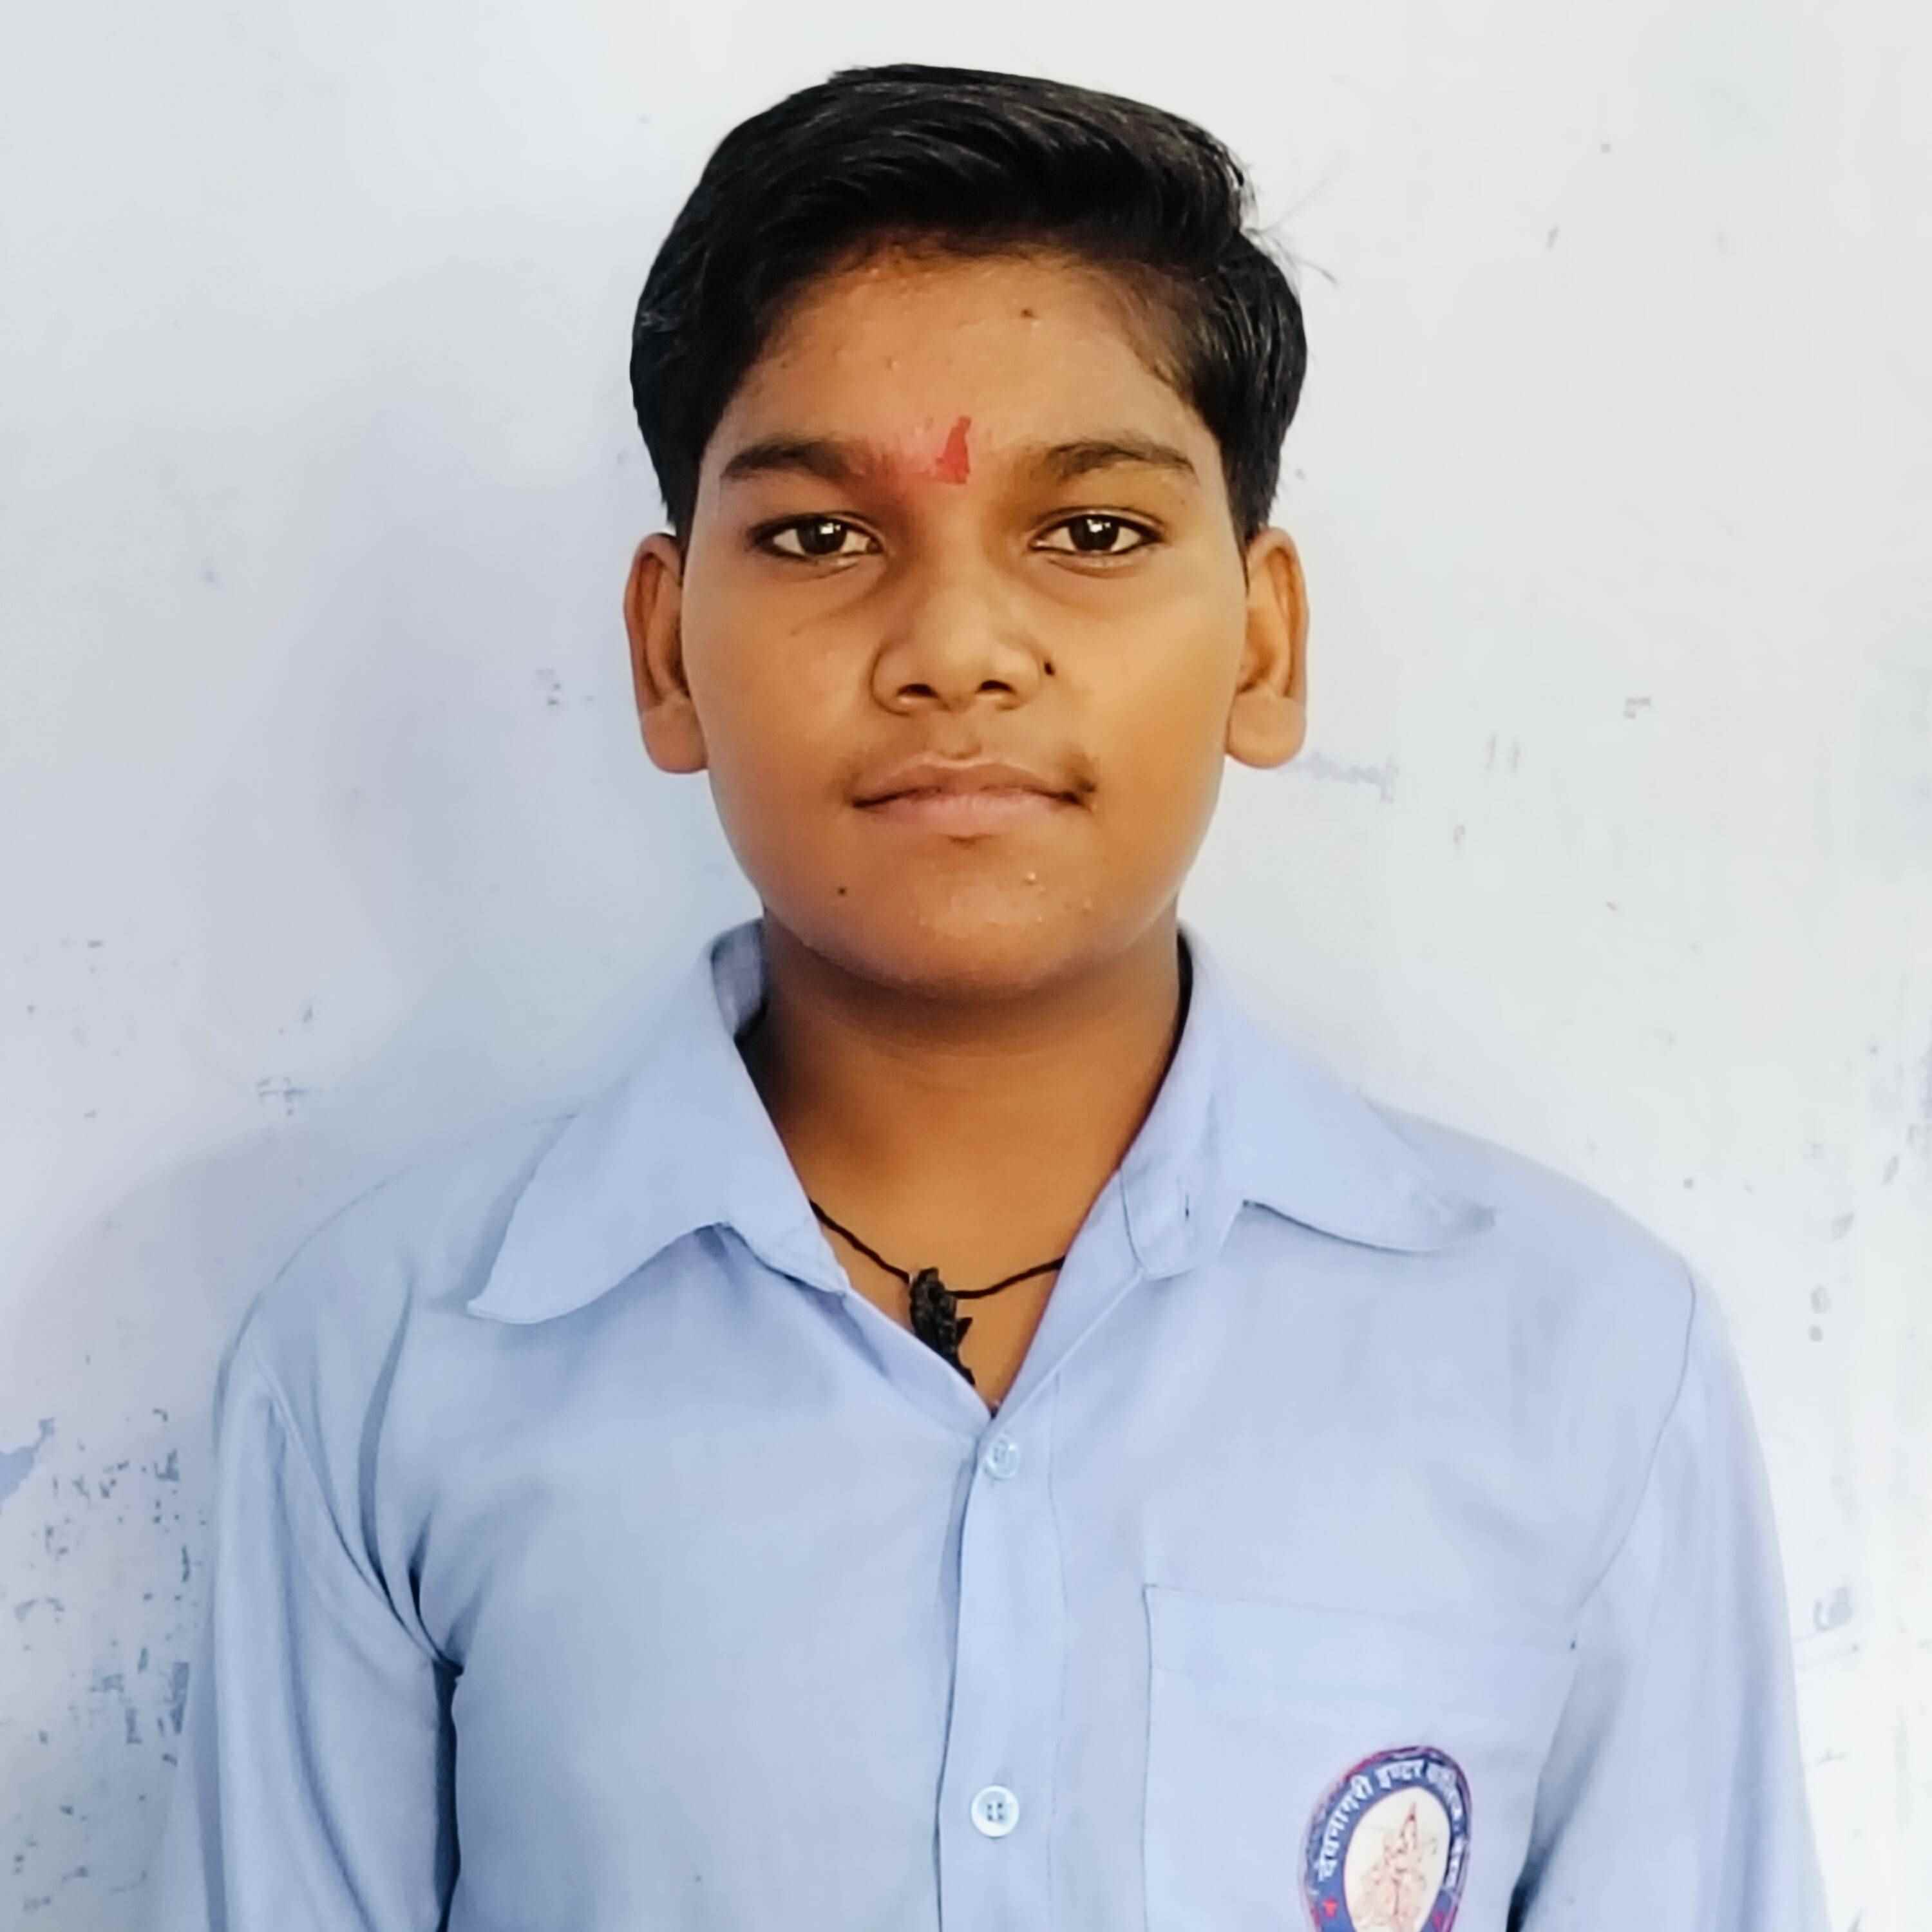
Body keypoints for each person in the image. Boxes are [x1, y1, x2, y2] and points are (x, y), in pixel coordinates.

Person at [148, 61, 1830, 1932]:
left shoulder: (1584, 1368)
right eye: (820, 536)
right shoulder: (391, 1360)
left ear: (1265, 643)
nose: (955, 648)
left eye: (1092, 533)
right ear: (666, 651)